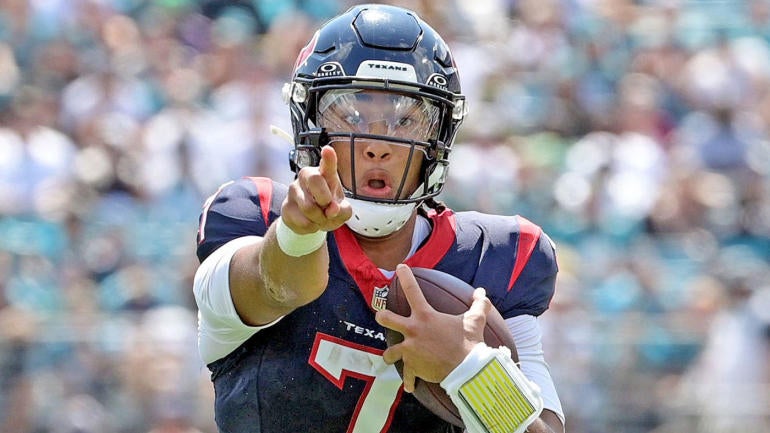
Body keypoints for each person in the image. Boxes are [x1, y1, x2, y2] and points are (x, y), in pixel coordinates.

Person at [193, 4, 565, 433]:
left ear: (437, 139)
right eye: (350, 116)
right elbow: (279, 284)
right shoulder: (249, 214)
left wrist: (469, 369)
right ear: (310, 124)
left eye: (405, 120)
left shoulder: (498, 258)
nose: (378, 144)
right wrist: (298, 232)